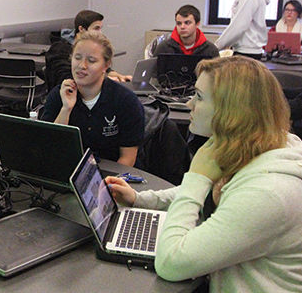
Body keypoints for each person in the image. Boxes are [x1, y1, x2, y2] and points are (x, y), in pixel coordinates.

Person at [106, 56, 302, 292]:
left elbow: (170, 263)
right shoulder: (263, 144)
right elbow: (214, 190)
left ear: (231, 110)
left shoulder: (267, 192)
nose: (189, 104)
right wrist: (140, 200)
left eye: (198, 96)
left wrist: (196, 177)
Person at [40, 31, 144, 166]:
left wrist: (106, 185)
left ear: (106, 66)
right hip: (72, 170)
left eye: (91, 60)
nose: (82, 66)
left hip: (116, 174)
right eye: (77, 58)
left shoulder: (125, 101)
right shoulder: (59, 94)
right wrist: (66, 109)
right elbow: (51, 148)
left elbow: (127, 159)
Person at [44, 10, 131, 89]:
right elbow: (67, 79)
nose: (100, 33)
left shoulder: (88, 48)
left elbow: (99, 70)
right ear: (81, 29)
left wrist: (117, 75)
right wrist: (104, 79)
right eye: (96, 28)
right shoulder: (59, 50)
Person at [153, 5, 219, 58]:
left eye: (187, 23)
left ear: (197, 24)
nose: (182, 27)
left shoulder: (210, 50)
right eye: (179, 23)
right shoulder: (164, 48)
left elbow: (217, 74)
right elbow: (153, 73)